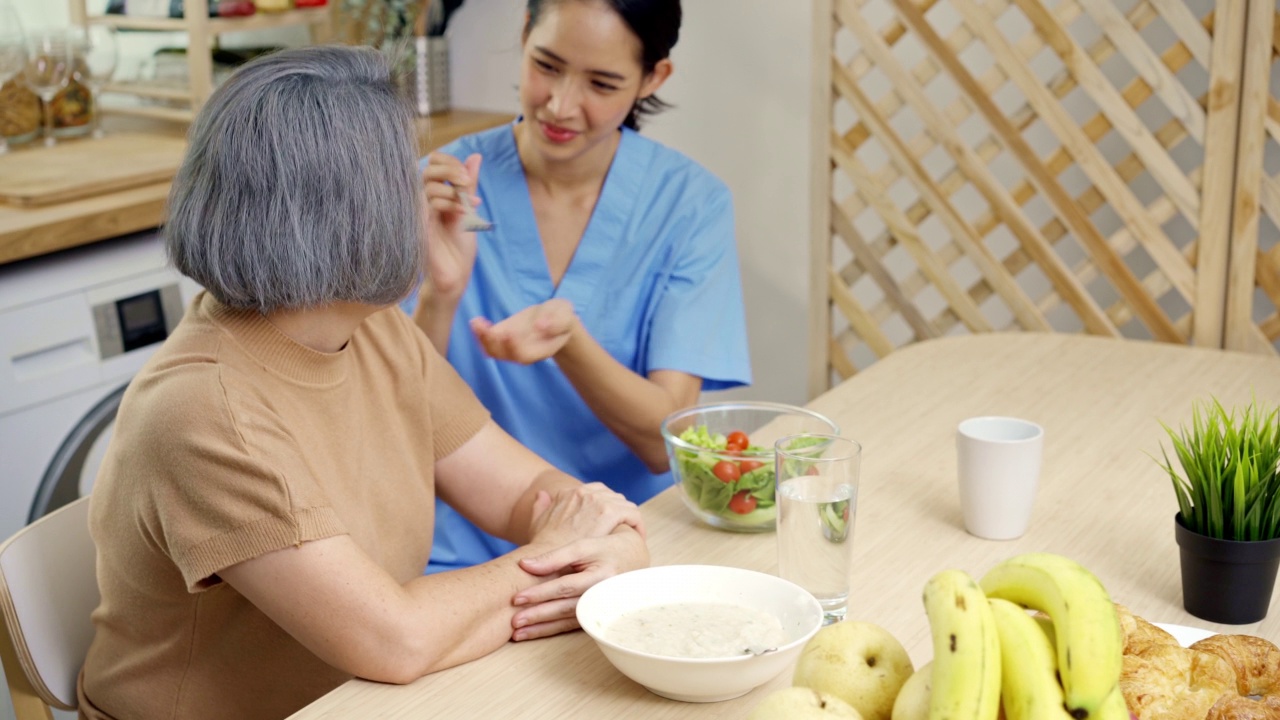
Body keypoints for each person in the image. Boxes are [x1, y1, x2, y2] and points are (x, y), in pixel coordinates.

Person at [76, 45, 648, 720]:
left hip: (362, 701)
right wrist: (564, 556)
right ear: (351, 214)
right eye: (400, 180)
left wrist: (610, 542)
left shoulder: (373, 330)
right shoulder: (202, 411)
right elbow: (396, 640)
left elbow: (527, 493)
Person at [408, 0, 751, 574]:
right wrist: (438, 297)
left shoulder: (689, 206)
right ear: (523, 36)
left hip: (623, 552)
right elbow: (389, 422)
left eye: (601, 83)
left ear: (652, 78)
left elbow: (663, 442)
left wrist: (570, 342)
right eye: (546, 66)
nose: (562, 105)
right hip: (456, 559)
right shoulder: (437, 189)